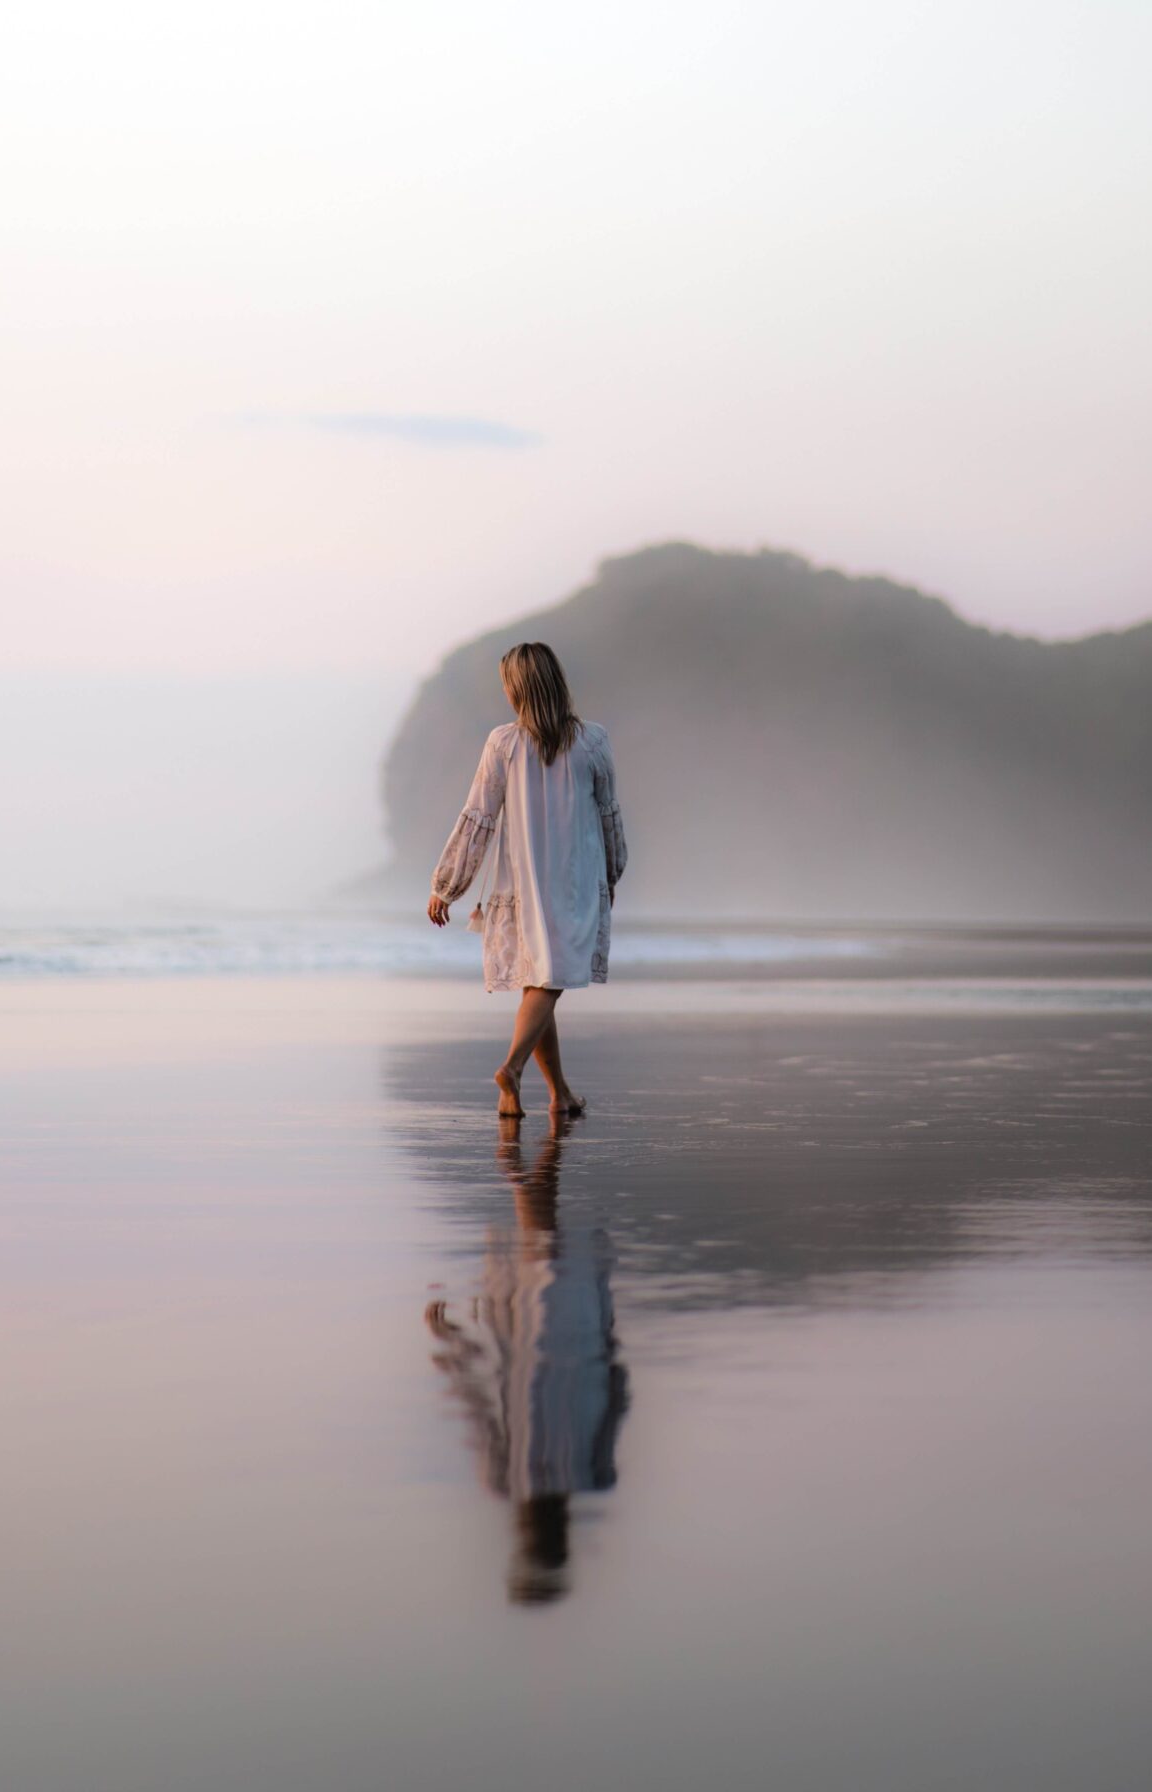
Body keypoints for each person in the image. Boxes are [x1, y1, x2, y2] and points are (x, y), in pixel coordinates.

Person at [424, 1123, 629, 1604]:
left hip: (573, 1330)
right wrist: (450, 1342)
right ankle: (539, 1120)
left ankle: (541, 1116)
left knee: (540, 1217)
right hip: (541, 1329)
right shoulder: (506, 1480)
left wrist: (609, 1336)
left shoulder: (596, 1477)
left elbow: (619, 1396)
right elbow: (477, 1403)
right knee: (538, 1215)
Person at [427, 641, 627, 1121]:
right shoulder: (592, 742)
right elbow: (609, 817)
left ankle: (560, 1094)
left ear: (518, 690)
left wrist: (447, 884)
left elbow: (478, 817)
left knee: (539, 982)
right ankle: (513, 1069)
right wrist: (613, 871)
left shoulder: (504, 743)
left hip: (521, 882)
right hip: (574, 882)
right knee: (548, 981)